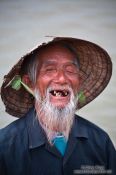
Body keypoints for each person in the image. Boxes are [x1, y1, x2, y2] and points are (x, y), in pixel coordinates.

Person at [0, 37, 116, 175]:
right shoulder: (5, 146)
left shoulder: (100, 141)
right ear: (30, 82)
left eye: (70, 70)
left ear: (78, 82)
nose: (62, 79)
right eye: (50, 69)